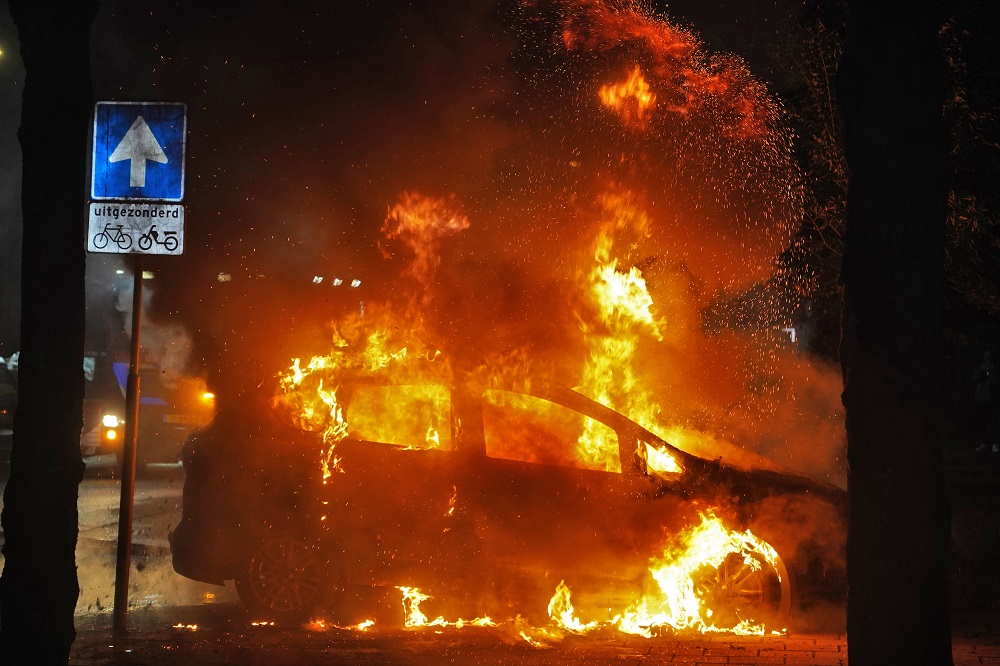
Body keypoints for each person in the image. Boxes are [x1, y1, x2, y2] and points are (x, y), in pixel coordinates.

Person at [972, 350, 999, 453]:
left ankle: (990, 443)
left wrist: (988, 373)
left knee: (989, 422)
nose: (987, 358)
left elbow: (996, 382)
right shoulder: (979, 367)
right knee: (979, 421)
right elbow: (973, 379)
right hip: (979, 398)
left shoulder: (994, 368)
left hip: (989, 399)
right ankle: (982, 442)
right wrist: (981, 372)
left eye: (989, 356)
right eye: (985, 356)